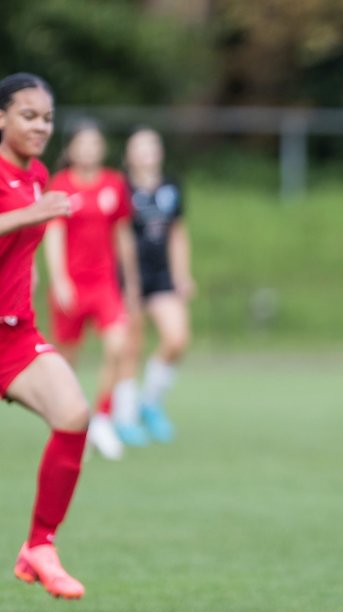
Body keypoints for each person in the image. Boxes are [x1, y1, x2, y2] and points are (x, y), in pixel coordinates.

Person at [0, 73, 91, 599]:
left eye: (47, 118)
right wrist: (32, 214)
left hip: (14, 334)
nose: (40, 126)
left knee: (73, 413)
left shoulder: (36, 175)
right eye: (28, 115)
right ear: (2, 117)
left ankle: (39, 545)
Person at [42, 119, 140, 460]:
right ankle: (73, 424)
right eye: (81, 144)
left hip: (104, 285)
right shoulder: (61, 184)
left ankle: (102, 417)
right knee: (66, 362)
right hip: (72, 285)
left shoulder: (114, 184)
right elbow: (54, 234)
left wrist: (129, 284)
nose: (88, 150)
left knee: (119, 346)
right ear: (70, 150)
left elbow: (123, 237)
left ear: (101, 148)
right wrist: (59, 280)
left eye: (94, 143)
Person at [113, 127, 194, 445]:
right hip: (128, 276)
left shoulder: (171, 187)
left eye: (152, 145)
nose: (147, 151)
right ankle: (125, 417)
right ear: (128, 155)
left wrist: (181, 274)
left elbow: (177, 233)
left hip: (161, 276)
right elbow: (119, 237)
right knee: (131, 346)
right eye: (139, 146)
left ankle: (150, 402)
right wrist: (130, 282)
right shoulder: (120, 188)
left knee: (177, 338)